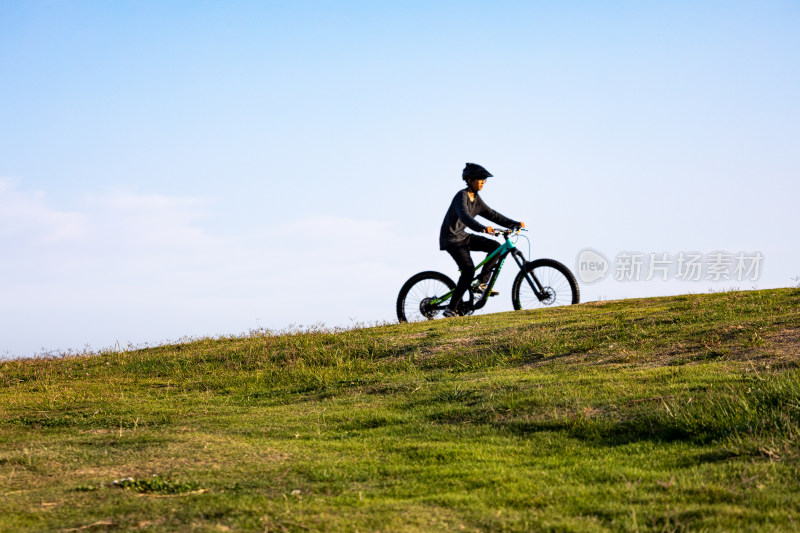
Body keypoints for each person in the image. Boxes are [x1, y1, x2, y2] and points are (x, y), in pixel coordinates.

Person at [439, 163, 525, 318]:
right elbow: (464, 215)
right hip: (451, 239)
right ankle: (450, 308)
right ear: (470, 180)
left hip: (463, 237)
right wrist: (481, 228)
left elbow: (492, 214)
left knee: (495, 247)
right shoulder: (462, 196)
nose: (483, 182)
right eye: (480, 179)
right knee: (468, 270)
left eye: (484, 180)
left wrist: (513, 223)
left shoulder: (476, 199)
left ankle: (481, 283)